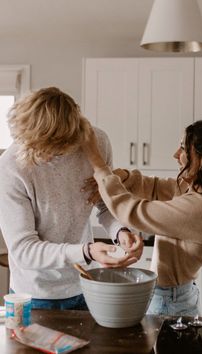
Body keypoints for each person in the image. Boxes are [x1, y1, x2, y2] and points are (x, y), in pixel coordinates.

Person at [0, 87, 143, 310]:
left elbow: (104, 204)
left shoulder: (96, 144)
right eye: (40, 147)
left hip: (84, 284)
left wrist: (120, 231)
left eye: (56, 149)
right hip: (35, 295)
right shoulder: (11, 167)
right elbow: (24, 250)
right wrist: (86, 251)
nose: (47, 157)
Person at [81, 118, 202, 316]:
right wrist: (119, 176)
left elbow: (132, 210)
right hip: (176, 295)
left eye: (183, 148)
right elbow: (154, 187)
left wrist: (97, 162)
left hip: (170, 302)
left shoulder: (200, 206)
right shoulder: (201, 190)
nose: (176, 154)